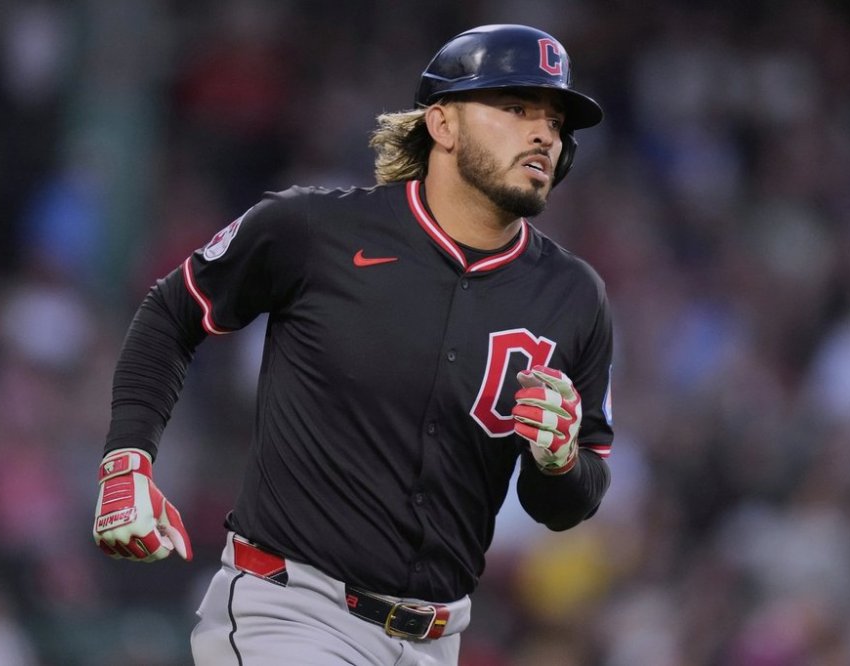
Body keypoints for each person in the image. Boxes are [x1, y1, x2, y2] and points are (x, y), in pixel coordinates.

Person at [93, 23, 614, 666]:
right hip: (291, 613)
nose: (544, 134)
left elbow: (568, 501)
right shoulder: (316, 229)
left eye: (557, 122)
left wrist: (558, 462)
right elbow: (172, 313)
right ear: (443, 125)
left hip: (434, 641)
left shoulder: (574, 297)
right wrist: (127, 462)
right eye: (515, 110)